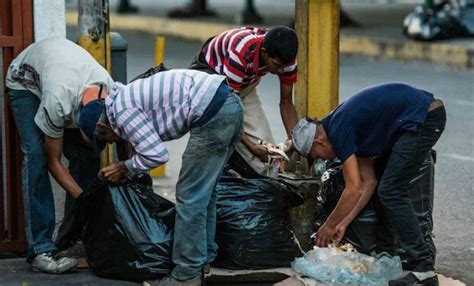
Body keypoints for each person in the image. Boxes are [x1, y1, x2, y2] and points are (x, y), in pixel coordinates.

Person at [81, 69, 243, 286]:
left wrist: (124, 167)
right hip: (230, 105)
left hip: (214, 112)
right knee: (205, 193)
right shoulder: (122, 100)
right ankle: (203, 261)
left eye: (107, 139)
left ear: (102, 126)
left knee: (190, 197)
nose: (111, 143)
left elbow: (156, 155)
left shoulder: (122, 111)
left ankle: (186, 275)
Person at [291, 83, 446, 286]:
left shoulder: (339, 128)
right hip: (414, 119)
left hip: (426, 117)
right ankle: (387, 254)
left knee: (391, 190)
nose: (320, 160)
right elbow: (368, 183)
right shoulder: (340, 127)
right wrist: (343, 223)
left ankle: (424, 268)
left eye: (315, 156)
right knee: (384, 186)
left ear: (319, 142)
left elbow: (353, 188)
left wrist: (328, 226)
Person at [5, 37, 114, 273]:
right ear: (79, 124)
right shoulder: (58, 102)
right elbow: (54, 162)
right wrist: (85, 198)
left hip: (65, 76)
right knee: (36, 156)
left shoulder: (111, 92)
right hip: (25, 84)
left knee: (87, 157)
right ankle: (41, 249)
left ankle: (70, 238)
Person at [189, 26, 298, 178]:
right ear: (264, 52)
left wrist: (293, 141)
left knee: (270, 161)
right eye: (276, 65)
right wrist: (252, 147)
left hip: (243, 84)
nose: (281, 71)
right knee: (222, 137)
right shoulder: (241, 50)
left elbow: (286, 102)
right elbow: (229, 109)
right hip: (212, 82)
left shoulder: (287, 61)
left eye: (284, 66)